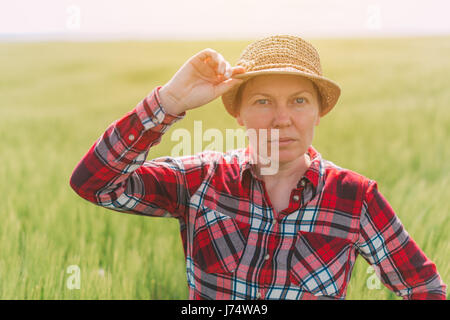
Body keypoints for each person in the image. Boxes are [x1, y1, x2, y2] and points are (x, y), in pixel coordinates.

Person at [69, 34, 446, 300]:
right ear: (239, 115)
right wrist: (169, 101)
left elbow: (423, 287)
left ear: (319, 113)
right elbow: (95, 184)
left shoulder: (354, 198)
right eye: (263, 102)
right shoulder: (202, 179)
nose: (282, 119)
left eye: (298, 101)